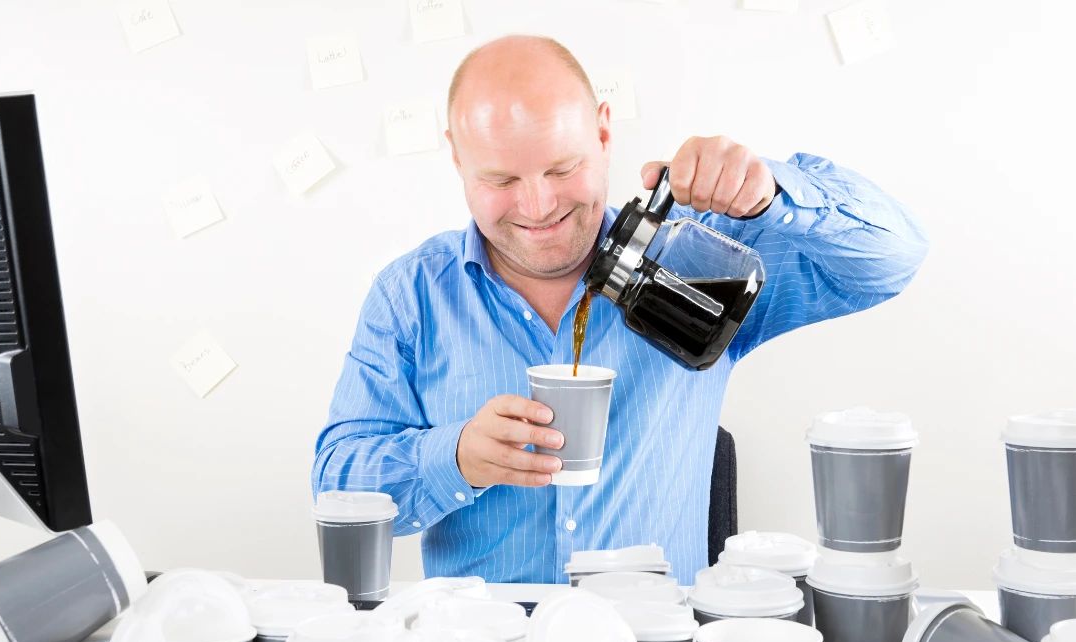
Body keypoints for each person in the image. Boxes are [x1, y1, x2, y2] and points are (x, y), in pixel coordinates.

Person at [312, 35, 929, 584]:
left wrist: (772, 192)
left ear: (604, 133)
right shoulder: (412, 296)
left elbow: (894, 258)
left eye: (563, 167)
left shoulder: (698, 258)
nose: (536, 205)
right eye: (501, 180)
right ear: (456, 158)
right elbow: (335, 482)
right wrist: (453, 458)